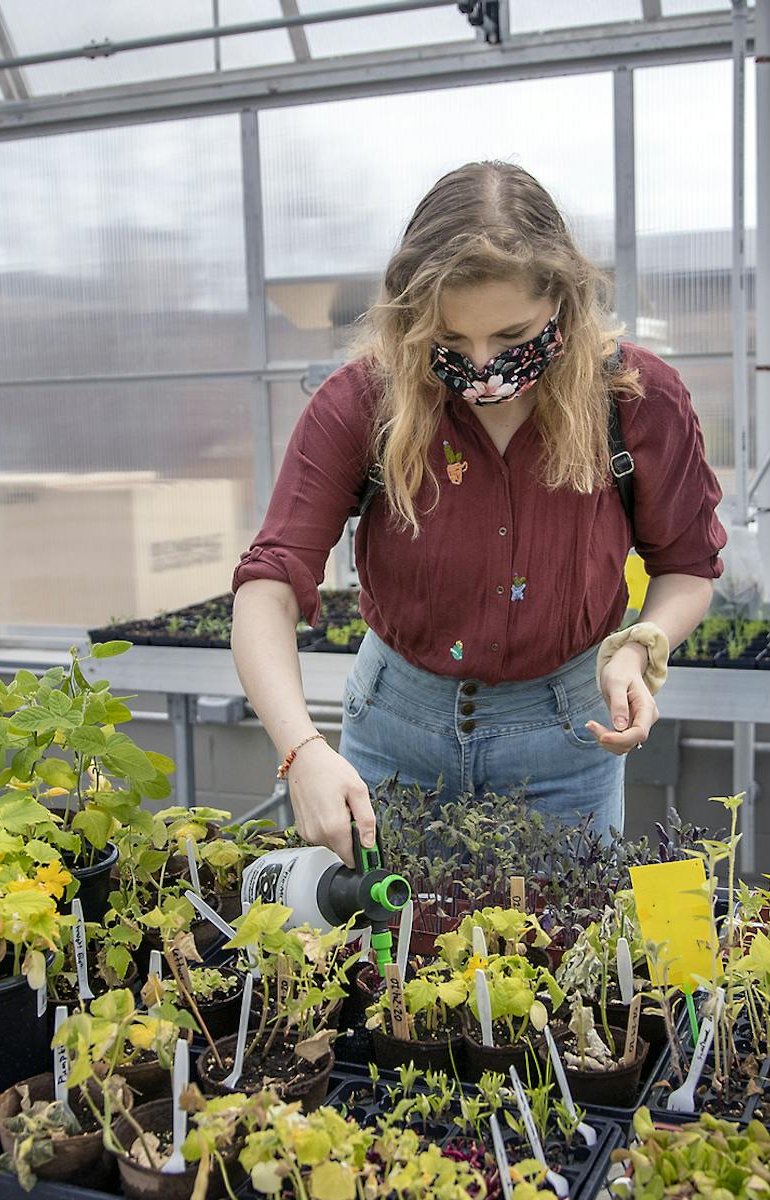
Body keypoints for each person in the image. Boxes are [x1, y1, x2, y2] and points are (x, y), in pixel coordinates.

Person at [231, 161, 726, 864]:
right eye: (454, 343)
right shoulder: (365, 402)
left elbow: (686, 566)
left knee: (552, 961)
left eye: (512, 334)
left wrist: (643, 642)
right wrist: (302, 750)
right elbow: (267, 585)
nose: (486, 367)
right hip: (393, 735)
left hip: (565, 741)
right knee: (385, 958)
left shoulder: (635, 400)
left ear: (562, 298)